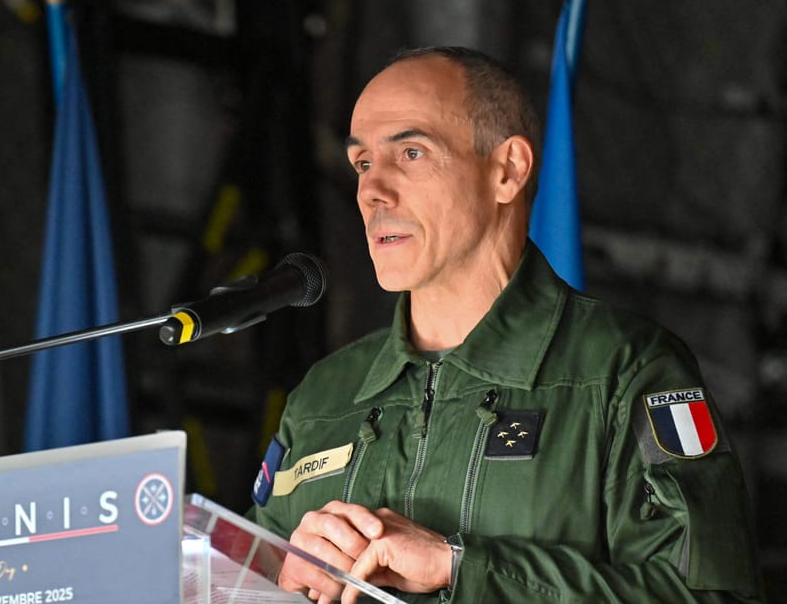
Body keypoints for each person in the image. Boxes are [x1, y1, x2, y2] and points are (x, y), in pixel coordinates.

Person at [249, 46, 762, 603]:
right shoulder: (321, 397)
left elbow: (711, 597)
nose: (372, 191)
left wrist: (461, 567)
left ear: (508, 170)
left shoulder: (626, 372)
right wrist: (276, 581)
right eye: (363, 164)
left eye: (412, 153)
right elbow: (232, 579)